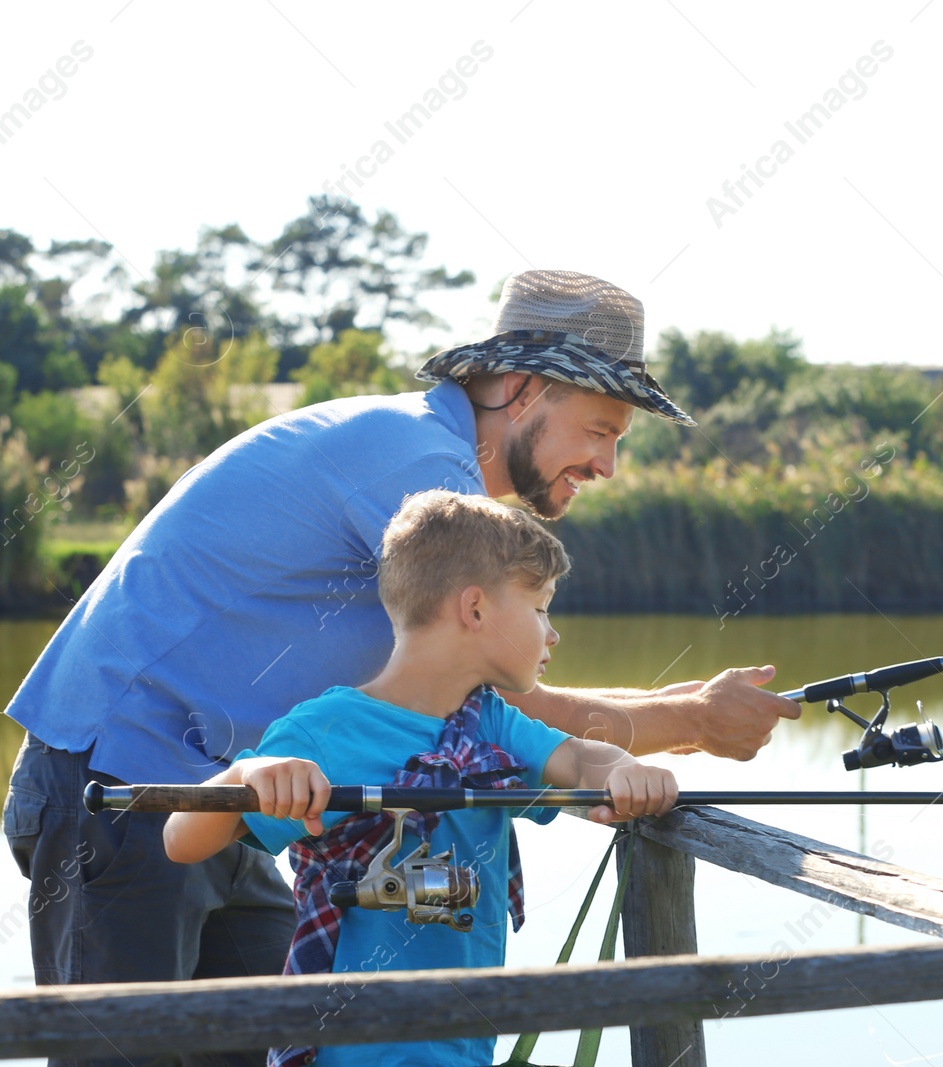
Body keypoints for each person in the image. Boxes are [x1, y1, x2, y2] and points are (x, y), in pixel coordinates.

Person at [3, 270, 799, 1067]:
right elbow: (497, 701)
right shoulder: (422, 469)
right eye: (600, 428)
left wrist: (687, 708)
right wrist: (692, 719)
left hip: (230, 800)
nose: (608, 464)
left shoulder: (423, 461)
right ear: (522, 390)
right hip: (117, 789)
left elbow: (483, 710)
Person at [166, 489, 675, 1067]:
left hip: (463, 1049)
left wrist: (627, 771)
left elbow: (582, 760)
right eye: (540, 609)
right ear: (476, 609)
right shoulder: (325, 731)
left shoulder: (494, 724)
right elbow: (182, 842)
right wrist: (245, 774)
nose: (552, 632)